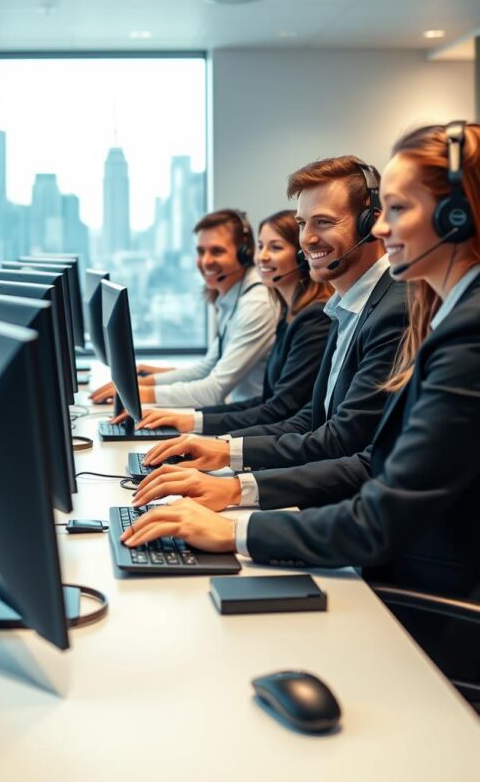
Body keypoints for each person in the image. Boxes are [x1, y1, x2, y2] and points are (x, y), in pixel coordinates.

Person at [122, 123, 480, 621]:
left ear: (457, 217)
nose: (381, 229)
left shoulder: (462, 333)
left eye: (397, 210)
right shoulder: (390, 308)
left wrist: (234, 528)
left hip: (425, 588)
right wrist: (228, 472)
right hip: (391, 557)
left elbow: (375, 497)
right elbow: (350, 445)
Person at [139, 157, 407, 476]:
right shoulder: (343, 306)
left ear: (371, 224)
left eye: (323, 222)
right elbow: (312, 418)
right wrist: (222, 448)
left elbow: (344, 441)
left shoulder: (393, 311)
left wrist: (234, 479)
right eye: (302, 224)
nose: (306, 239)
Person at [136, 210, 332, 435]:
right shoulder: (288, 315)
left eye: (275, 247)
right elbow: (216, 371)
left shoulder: (306, 317)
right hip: (259, 426)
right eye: (261, 246)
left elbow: (280, 409)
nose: (262, 256)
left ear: (302, 256)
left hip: (271, 435)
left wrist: (191, 421)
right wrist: (151, 389)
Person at [90, 208, 279, 409]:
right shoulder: (233, 298)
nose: (205, 261)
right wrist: (146, 380)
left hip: (251, 418)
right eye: (200, 251)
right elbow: (207, 368)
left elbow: (213, 390)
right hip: (238, 412)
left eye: (217, 251)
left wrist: (136, 393)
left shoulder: (257, 304)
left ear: (244, 254)